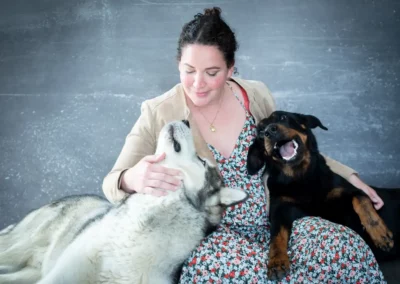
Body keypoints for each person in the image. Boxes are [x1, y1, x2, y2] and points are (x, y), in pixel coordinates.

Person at [102, 7, 386, 283]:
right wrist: (131, 178)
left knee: (344, 249)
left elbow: (292, 148)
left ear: (230, 69)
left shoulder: (254, 94)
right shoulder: (158, 111)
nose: (198, 83)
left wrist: (349, 175)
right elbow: (112, 183)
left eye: (212, 72)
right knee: (242, 275)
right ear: (178, 64)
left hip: (277, 221)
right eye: (189, 70)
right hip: (212, 237)